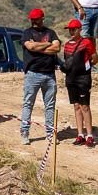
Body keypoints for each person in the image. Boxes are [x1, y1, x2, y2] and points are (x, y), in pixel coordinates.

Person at [21, 8, 61, 146]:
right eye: (32, 19)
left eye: (36, 19)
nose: (34, 21)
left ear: (42, 18)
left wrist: (39, 47)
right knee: (28, 104)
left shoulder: (51, 32)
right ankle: (24, 133)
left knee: (50, 106)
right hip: (32, 73)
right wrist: (47, 45)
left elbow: (56, 48)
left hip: (49, 74)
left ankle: (50, 134)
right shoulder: (27, 33)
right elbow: (30, 47)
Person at [62, 18, 98, 146]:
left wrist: (86, 66)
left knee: (85, 106)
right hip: (70, 78)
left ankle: (90, 135)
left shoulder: (87, 42)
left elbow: (95, 58)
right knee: (76, 106)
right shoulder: (66, 45)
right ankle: (80, 135)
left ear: (80, 30)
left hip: (83, 78)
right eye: (70, 30)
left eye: (74, 29)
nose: (72, 32)